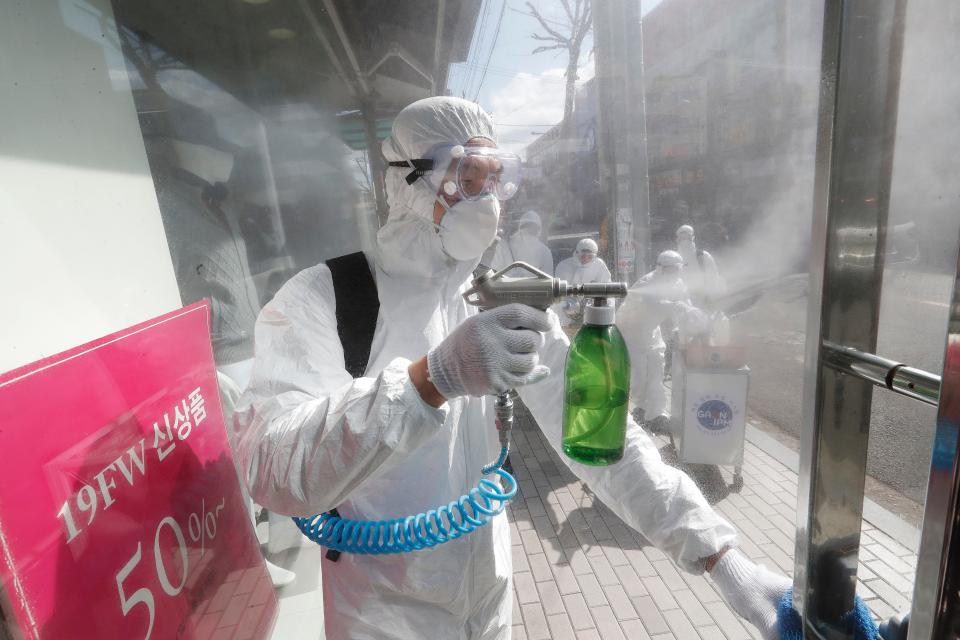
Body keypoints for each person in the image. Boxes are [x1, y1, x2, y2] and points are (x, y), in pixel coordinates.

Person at [235, 96, 789, 640]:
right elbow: (273, 469)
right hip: (382, 617)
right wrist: (431, 379)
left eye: (496, 178)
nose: (486, 199)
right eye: (467, 176)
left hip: (491, 604)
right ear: (408, 180)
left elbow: (597, 438)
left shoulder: (494, 298)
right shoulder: (326, 298)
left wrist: (720, 557)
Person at [617, 250, 692, 433]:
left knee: (657, 374)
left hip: (652, 331)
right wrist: (675, 307)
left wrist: (679, 328)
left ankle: (658, 415)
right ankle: (640, 410)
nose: (672, 272)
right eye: (668, 269)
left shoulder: (678, 283)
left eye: (676, 268)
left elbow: (685, 305)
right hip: (631, 333)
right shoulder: (647, 282)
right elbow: (654, 304)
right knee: (640, 376)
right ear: (659, 268)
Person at [553, 238, 612, 328]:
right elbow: (559, 293)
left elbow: (607, 288)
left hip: (591, 305)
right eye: (582, 255)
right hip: (569, 305)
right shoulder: (564, 266)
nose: (585, 259)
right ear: (576, 253)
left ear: (595, 256)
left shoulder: (599, 266)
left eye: (590, 257)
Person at [491, 210, 554, 276]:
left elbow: (548, 282)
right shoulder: (503, 246)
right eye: (526, 227)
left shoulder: (544, 251)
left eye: (532, 228)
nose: (527, 234)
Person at [676, 224, 724, 307]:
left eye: (687, 237)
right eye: (682, 237)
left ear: (693, 237)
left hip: (703, 301)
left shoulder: (703, 256)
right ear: (677, 239)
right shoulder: (674, 258)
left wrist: (711, 297)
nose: (685, 240)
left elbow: (714, 277)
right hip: (681, 303)